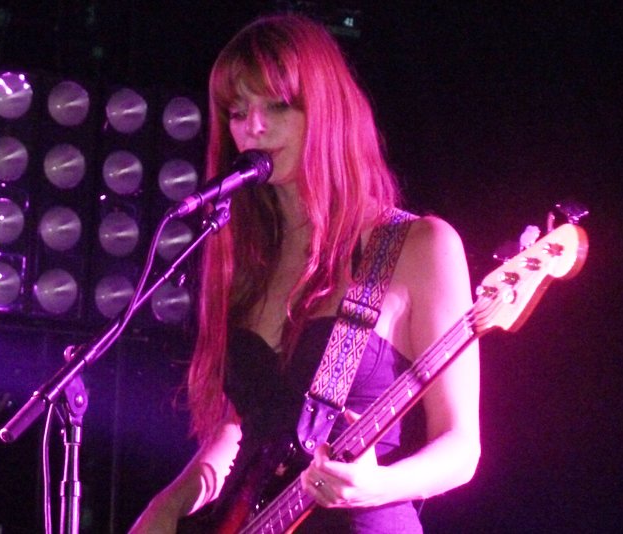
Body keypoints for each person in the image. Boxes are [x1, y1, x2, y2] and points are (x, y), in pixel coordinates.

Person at [130, 13, 480, 533]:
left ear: (326, 110)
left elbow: (461, 447)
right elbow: (243, 426)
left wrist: (375, 485)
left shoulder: (418, 246)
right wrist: (171, 502)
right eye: (237, 111)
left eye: (277, 105)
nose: (253, 128)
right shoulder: (246, 258)